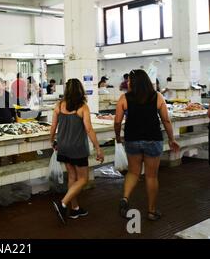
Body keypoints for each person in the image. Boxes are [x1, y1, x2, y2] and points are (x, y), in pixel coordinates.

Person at [115, 69, 180, 221]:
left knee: (133, 172)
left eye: (130, 80)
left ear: (134, 82)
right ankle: (151, 211)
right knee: (151, 176)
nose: (128, 83)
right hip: (153, 139)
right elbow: (166, 120)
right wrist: (171, 139)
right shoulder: (157, 96)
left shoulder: (124, 98)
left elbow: (117, 121)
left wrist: (118, 136)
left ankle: (125, 198)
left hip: (132, 139)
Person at [50, 79, 104, 224]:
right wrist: (98, 148)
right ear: (80, 90)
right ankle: (63, 204)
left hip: (63, 147)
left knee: (72, 177)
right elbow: (89, 129)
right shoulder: (82, 107)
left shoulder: (59, 105)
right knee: (83, 179)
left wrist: (52, 141)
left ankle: (75, 209)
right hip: (78, 149)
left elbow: (53, 126)